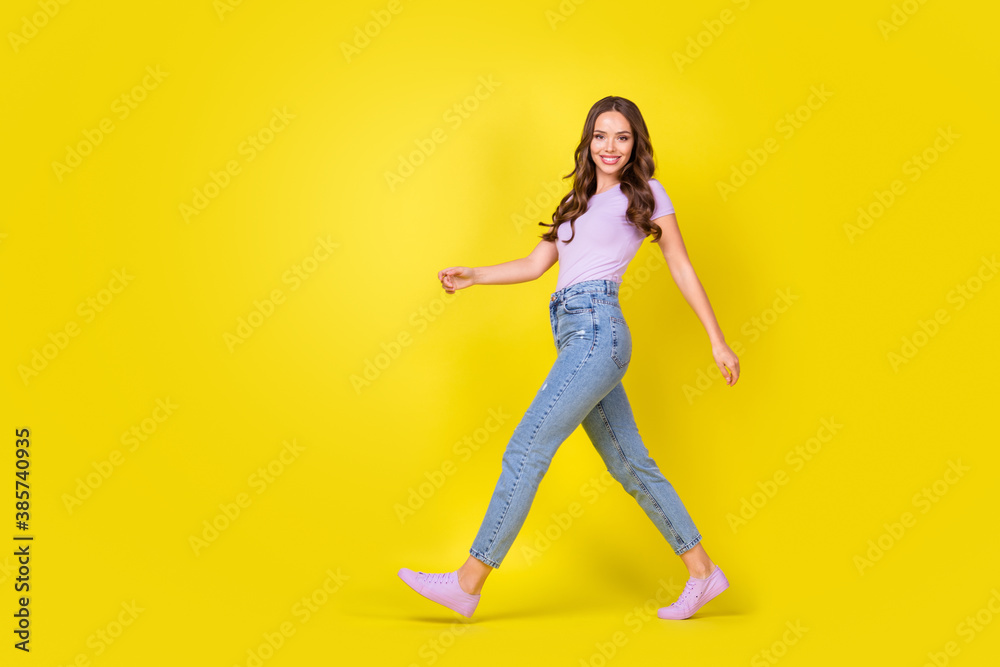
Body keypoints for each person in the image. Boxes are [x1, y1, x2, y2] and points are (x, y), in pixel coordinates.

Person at [398, 95, 740, 621]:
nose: (610, 147)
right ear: (588, 141)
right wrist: (474, 276)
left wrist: (716, 339)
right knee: (630, 464)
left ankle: (468, 582)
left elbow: (680, 264)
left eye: (622, 137)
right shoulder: (576, 203)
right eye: (601, 136)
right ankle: (703, 573)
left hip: (598, 332)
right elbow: (537, 264)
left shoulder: (646, 193)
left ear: (635, 144)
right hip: (575, 334)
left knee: (525, 449)